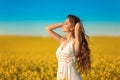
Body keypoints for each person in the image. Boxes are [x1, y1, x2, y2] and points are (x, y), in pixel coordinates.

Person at [45, 14, 91, 80]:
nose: (63, 25)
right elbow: (47, 28)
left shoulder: (76, 42)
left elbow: (79, 25)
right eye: (64, 23)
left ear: (72, 28)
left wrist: (75, 24)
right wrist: (62, 24)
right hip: (60, 76)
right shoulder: (62, 41)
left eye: (66, 23)